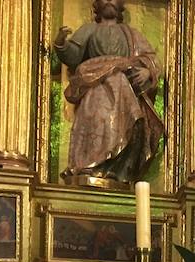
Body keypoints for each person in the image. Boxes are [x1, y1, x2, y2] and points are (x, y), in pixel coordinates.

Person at [53, 0, 164, 185]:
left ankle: (118, 170)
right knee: (98, 121)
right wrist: (61, 43)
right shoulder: (90, 29)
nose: (109, 1)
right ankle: (91, 165)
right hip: (96, 88)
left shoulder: (130, 34)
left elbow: (150, 58)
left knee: (130, 124)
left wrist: (147, 72)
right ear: (97, 5)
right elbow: (73, 55)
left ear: (120, 5)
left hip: (123, 89)